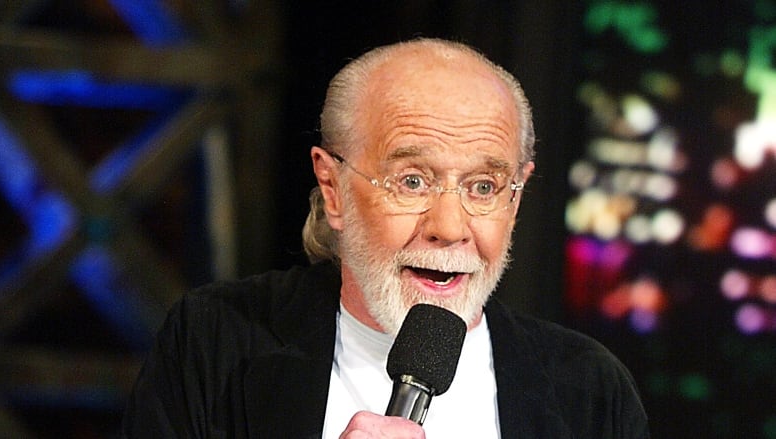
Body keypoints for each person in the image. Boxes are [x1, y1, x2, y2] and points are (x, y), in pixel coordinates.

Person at [121, 38, 650, 438]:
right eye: (412, 181)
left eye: (484, 187)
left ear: (516, 199)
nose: (449, 226)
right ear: (333, 189)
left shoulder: (588, 393)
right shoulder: (217, 343)